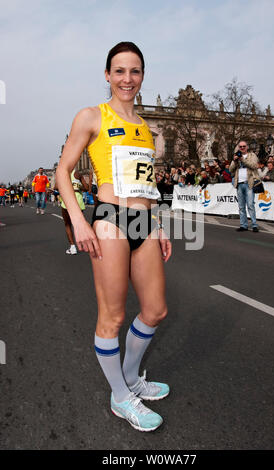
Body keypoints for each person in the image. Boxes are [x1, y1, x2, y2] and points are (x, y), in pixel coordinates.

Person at [56, 42, 172, 432]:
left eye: (134, 71)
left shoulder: (146, 128)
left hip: (144, 221)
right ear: (107, 75)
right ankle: (121, 398)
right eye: (119, 71)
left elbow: (148, 184)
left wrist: (158, 224)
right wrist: (79, 220)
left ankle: (130, 379)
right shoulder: (92, 116)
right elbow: (63, 170)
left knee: (155, 310)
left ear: (142, 76)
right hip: (109, 220)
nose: (127, 79)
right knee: (114, 316)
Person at [229, 141, 259, 232]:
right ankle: (243, 225)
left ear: (247, 147)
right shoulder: (236, 156)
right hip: (239, 184)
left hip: (249, 183)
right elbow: (230, 169)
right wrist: (235, 161)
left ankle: (254, 225)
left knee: (250, 205)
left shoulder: (252, 155)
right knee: (241, 206)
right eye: (240, 146)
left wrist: (243, 160)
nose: (242, 148)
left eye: (244, 146)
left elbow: (254, 165)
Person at [59, 169, 89, 255]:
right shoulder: (78, 173)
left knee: (67, 224)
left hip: (67, 198)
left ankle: (73, 247)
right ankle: (87, 244)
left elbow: (57, 187)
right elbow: (86, 188)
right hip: (78, 199)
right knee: (79, 224)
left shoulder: (62, 172)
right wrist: (78, 186)